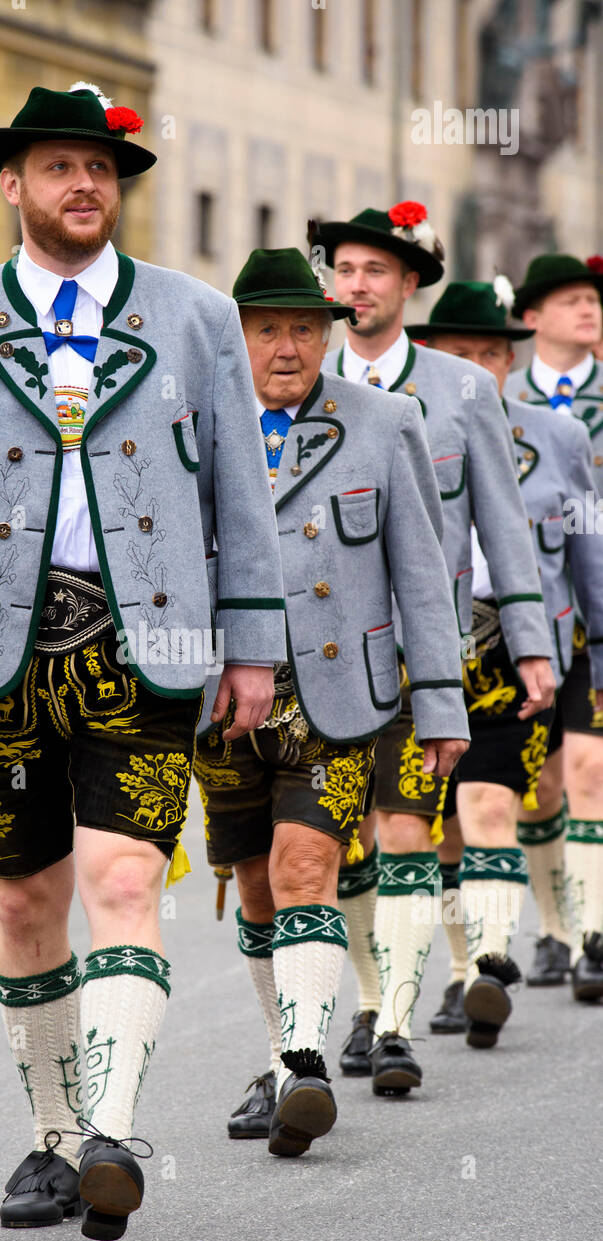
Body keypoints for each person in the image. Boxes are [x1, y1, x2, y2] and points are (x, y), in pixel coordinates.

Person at [0, 83, 285, 1241]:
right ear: (11, 184)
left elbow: (239, 486)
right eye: (59, 166)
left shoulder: (190, 316)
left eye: (102, 168)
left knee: (126, 883)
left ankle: (113, 1129)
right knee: (26, 901)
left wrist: (255, 643)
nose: (85, 184)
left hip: (148, 648)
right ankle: (54, 1140)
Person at [194, 248, 467, 1147]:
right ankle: (282, 1054)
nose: (287, 346)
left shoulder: (385, 419)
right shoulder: (193, 424)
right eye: (267, 328)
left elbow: (423, 578)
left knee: (303, 867)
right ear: (235, 338)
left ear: (327, 336)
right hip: (220, 699)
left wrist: (438, 706)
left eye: (305, 329)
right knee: (254, 886)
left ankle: (304, 1066)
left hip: (341, 698)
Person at [317, 204, 554, 1087]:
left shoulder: (462, 389)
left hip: (427, 646)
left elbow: (503, 523)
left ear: (409, 283)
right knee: (339, 846)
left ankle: (393, 1021)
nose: (358, 285)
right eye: (344, 269)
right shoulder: (296, 374)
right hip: (321, 653)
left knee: (407, 827)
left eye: (376, 270)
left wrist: (529, 642)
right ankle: (370, 990)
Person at [407, 277, 603, 1042]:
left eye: (492, 353)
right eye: (461, 354)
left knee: (523, 794)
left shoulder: (553, 434)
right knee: (446, 825)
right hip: (432, 645)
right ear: (431, 356)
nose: (479, 368)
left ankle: (575, 938)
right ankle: (464, 976)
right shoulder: (400, 427)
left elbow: (586, 546)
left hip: (540, 643)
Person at [506, 253, 603, 1001]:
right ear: (531, 317)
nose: (589, 310)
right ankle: (552, 927)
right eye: (571, 300)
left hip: (592, 609)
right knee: (538, 785)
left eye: (593, 299)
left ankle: (592, 934)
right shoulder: (498, 399)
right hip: (533, 608)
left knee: (589, 771)